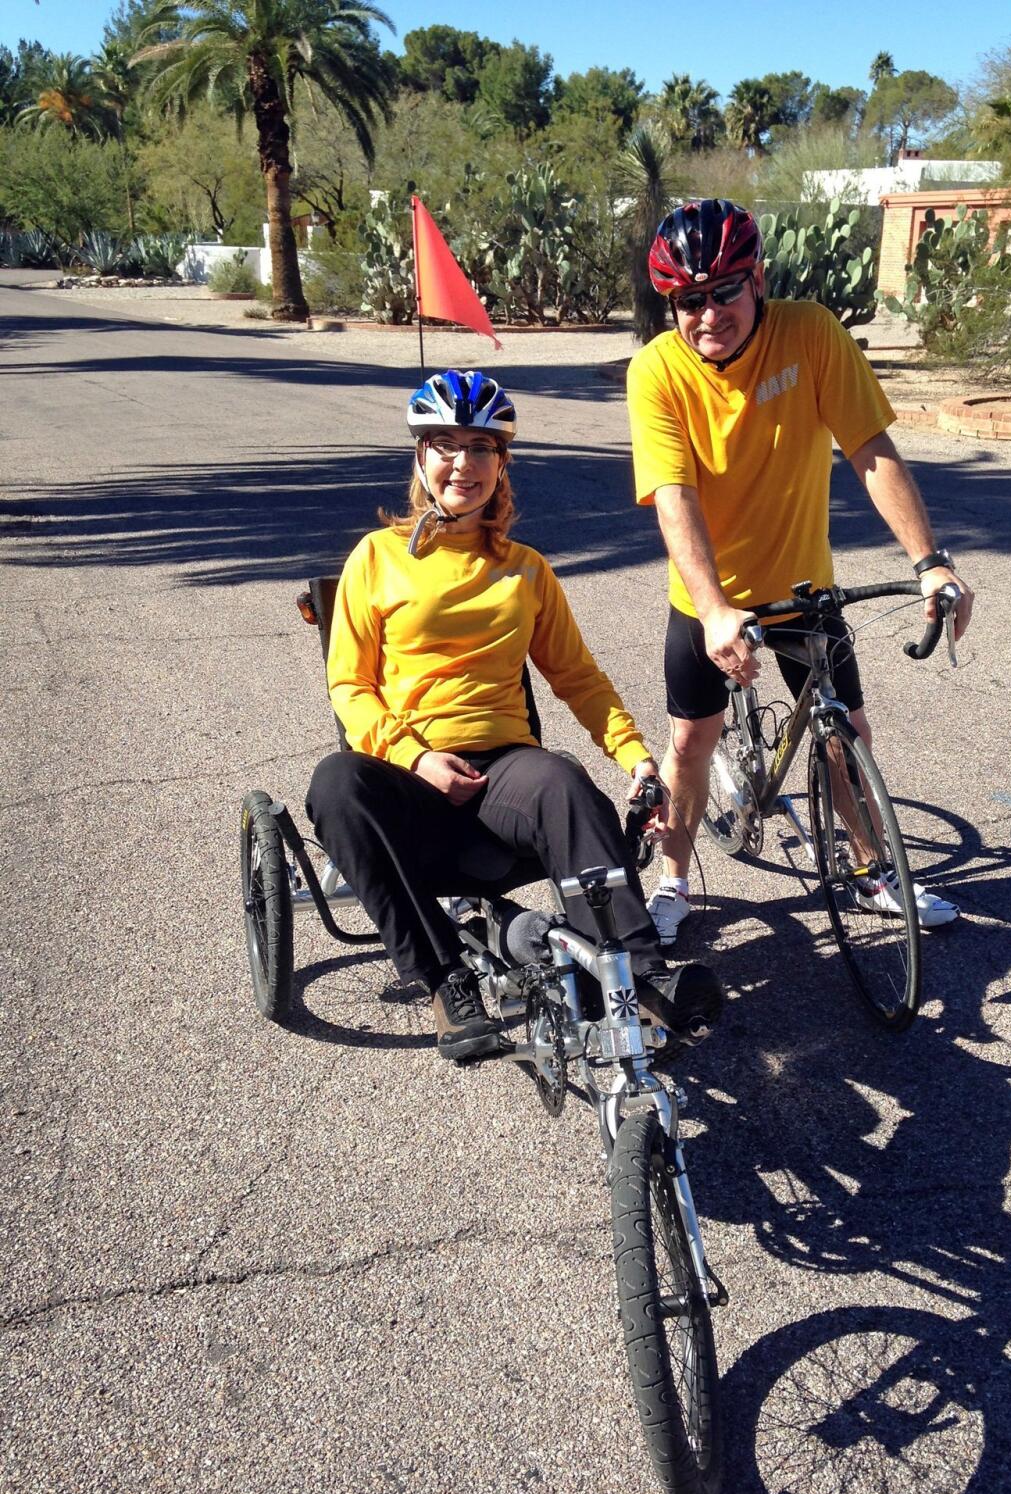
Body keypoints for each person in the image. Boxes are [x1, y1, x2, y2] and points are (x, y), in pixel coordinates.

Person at [306, 368, 721, 1061]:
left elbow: (577, 678)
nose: (462, 463)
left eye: (480, 447)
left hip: (504, 775)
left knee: (560, 779)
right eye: (444, 444)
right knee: (333, 784)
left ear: (501, 465)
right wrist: (416, 758)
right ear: (420, 457)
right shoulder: (374, 559)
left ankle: (646, 980)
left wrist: (637, 758)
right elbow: (350, 688)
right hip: (408, 780)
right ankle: (447, 984)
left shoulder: (525, 570)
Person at [626, 198, 977, 945]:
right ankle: (674, 880)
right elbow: (673, 496)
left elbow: (870, 450)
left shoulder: (810, 332)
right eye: (688, 301)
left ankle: (872, 869)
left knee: (844, 731)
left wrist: (930, 562)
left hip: (802, 590)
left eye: (724, 291)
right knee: (691, 741)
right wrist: (715, 609)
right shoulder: (657, 371)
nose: (708, 313)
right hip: (707, 599)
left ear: (757, 282)